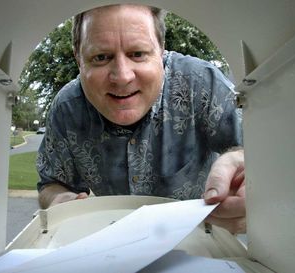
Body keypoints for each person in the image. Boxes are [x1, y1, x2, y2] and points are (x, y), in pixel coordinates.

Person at [36, 4, 246, 234]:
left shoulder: (202, 83)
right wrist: (61, 201)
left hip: (200, 238)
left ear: (161, 49)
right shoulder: (67, 108)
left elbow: (256, 151)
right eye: (101, 57)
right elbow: (51, 183)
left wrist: (244, 167)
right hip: (115, 242)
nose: (122, 77)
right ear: (78, 58)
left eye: (137, 54)